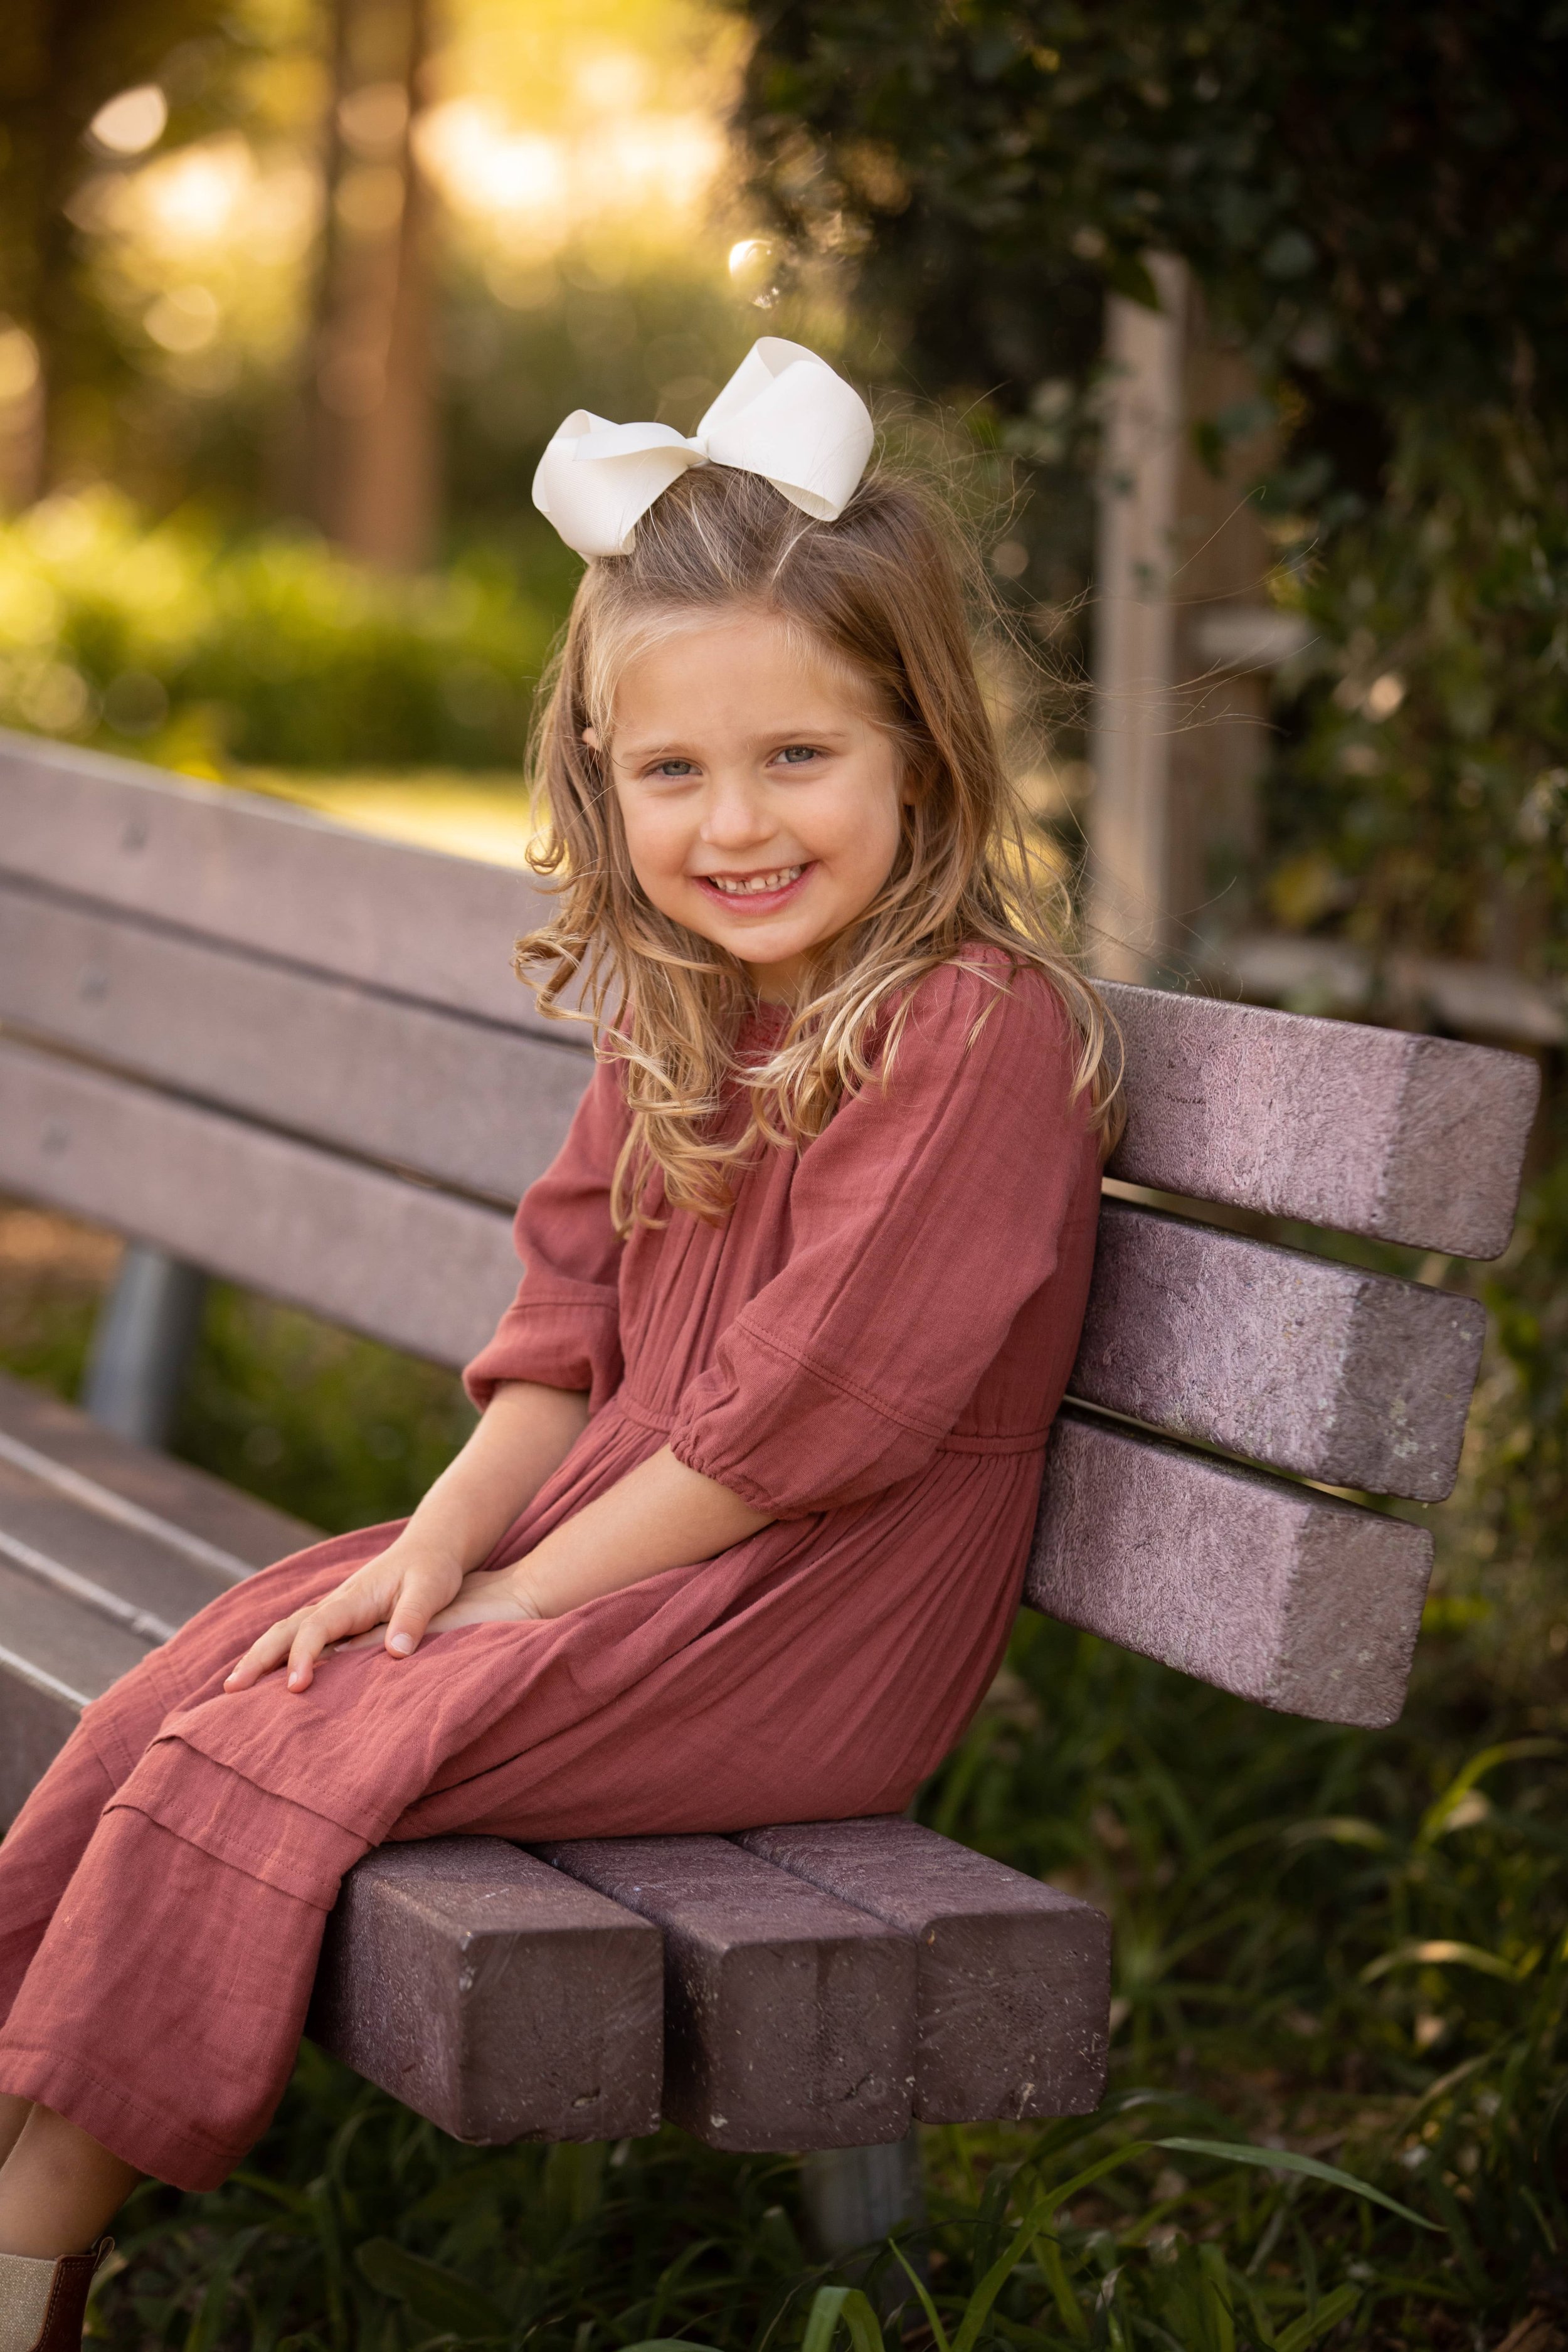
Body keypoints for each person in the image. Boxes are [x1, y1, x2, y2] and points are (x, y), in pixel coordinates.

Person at [0, 339, 1120, 2351]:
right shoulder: (686, 1008)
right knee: (210, 1679)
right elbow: (561, 1324)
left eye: (798, 758)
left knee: (280, 1746)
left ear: (921, 755)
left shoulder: (965, 1034)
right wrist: (445, 1551)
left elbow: (802, 1430)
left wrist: (519, 1607)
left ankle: (30, 2254)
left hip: (804, 1622)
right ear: (602, 776)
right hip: (628, 1557)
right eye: (671, 772)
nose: (734, 825)